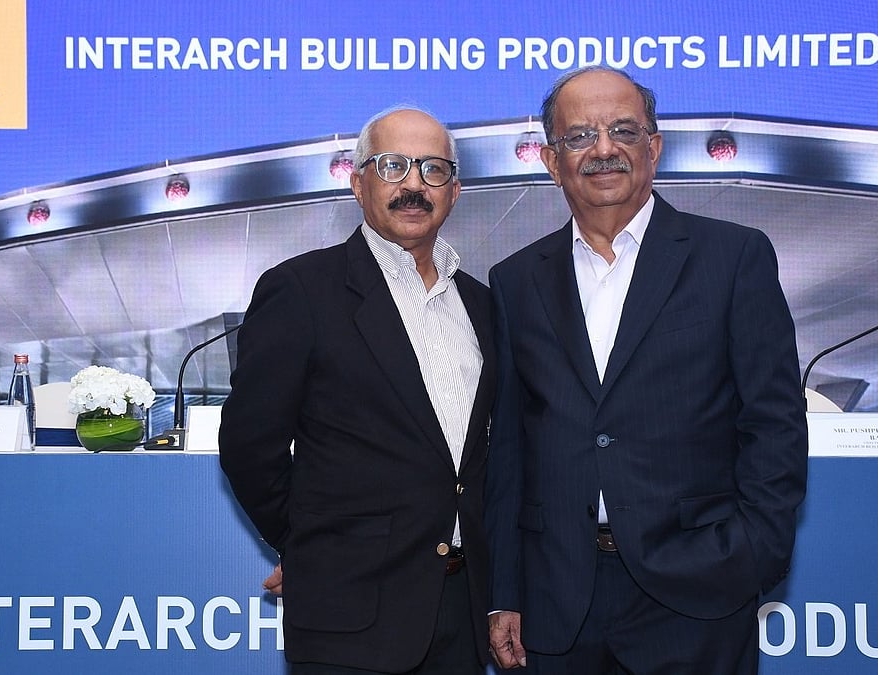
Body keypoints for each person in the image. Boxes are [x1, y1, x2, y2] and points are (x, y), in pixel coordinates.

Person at [485, 66, 808, 674]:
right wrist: (505, 590)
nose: (603, 149)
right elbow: (507, 450)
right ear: (552, 161)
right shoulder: (515, 281)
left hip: (698, 594)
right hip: (555, 600)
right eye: (579, 136)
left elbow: (774, 424)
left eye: (623, 131)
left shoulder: (733, 257)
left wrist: (750, 556)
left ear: (654, 148)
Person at [219, 106, 496, 674]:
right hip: (348, 615)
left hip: (463, 614)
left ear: (455, 191)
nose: (414, 184)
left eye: (433, 169)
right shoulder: (300, 290)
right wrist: (315, 546)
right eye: (393, 166)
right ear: (357, 183)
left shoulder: (482, 304)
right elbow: (249, 446)